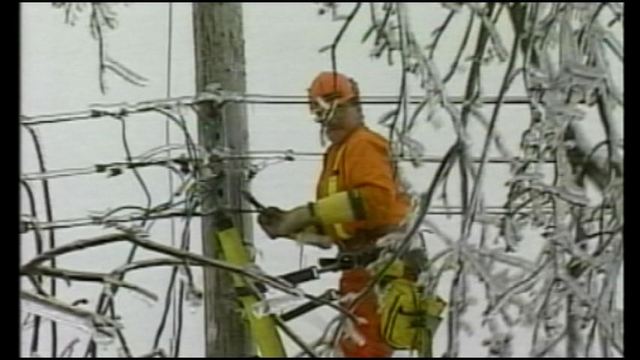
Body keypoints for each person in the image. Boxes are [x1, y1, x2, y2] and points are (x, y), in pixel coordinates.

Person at [258, 71, 410, 357]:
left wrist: (306, 214)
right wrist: (294, 227)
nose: (330, 121)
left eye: (338, 110)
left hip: (382, 267)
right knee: (356, 346)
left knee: (365, 349)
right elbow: (339, 226)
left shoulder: (363, 144)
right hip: (359, 267)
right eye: (322, 115)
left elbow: (375, 200)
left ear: (356, 107)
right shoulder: (337, 153)